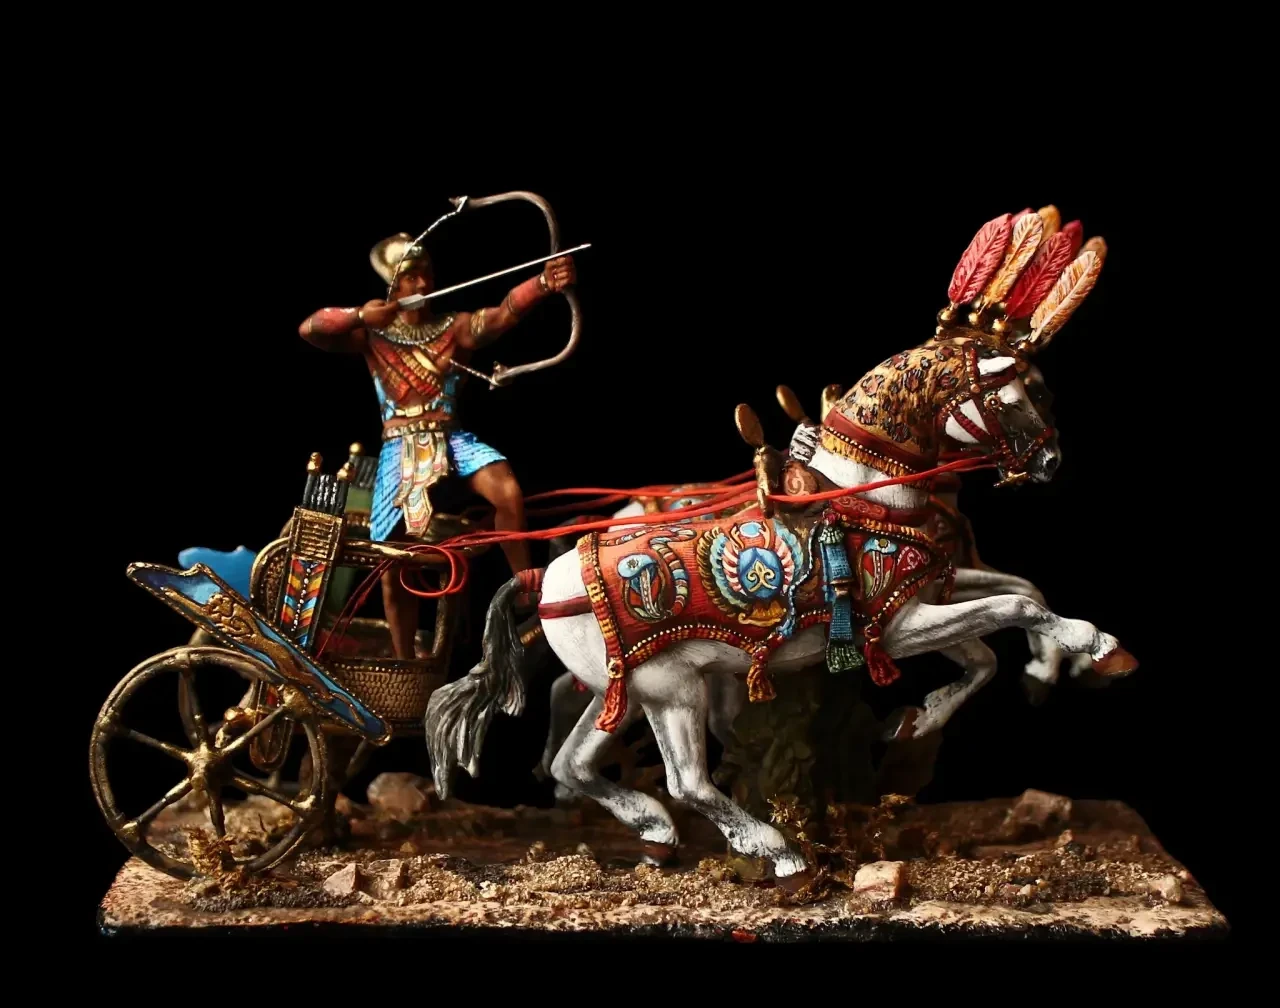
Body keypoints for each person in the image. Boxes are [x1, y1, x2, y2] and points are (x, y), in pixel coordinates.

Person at [299, 233, 575, 658]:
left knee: (506, 490)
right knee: (390, 556)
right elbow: (311, 329)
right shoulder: (374, 335)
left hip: (452, 438)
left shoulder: (453, 328)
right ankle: (403, 658)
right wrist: (360, 315)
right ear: (393, 284)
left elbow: (502, 314)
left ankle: (524, 586)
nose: (423, 284)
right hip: (400, 446)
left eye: (425, 273)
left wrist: (542, 283)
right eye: (410, 277)